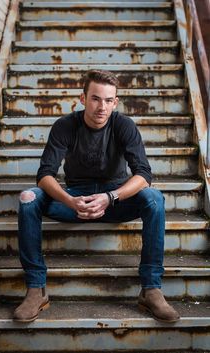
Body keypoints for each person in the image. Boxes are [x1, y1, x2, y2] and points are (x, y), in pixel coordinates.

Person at [13, 70, 180, 323]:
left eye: (108, 100)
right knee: (28, 198)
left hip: (115, 200)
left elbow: (143, 174)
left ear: (116, 102)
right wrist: (69, 201)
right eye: (95, 99)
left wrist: (111, 197)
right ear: (82, 98)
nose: (102, 107)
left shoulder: (124, 126)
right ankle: (37, 289)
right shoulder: (65, 125)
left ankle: (151, 288)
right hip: (74, 200)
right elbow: (45, 175)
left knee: (154, 198)